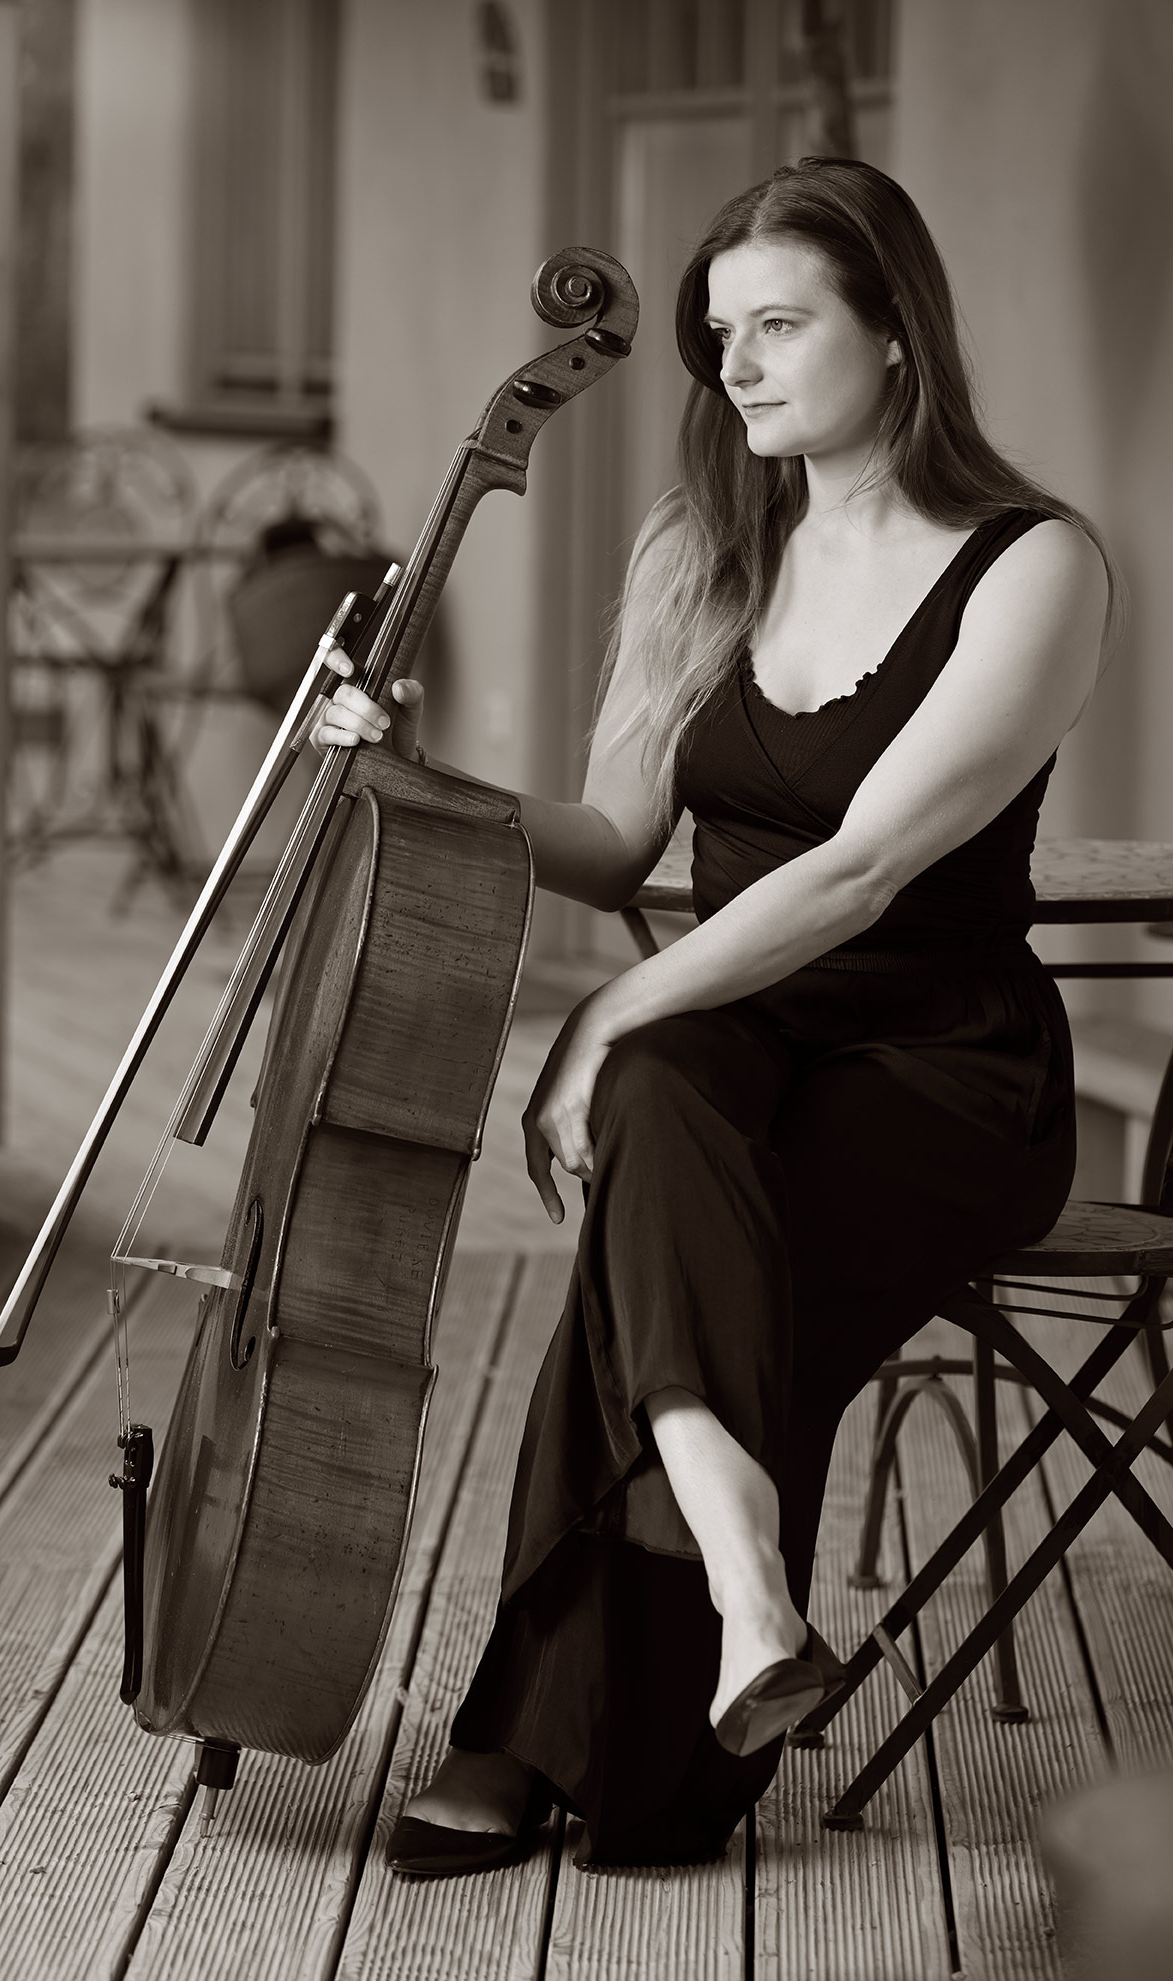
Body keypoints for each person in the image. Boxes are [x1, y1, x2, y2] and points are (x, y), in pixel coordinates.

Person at [310, 157, 1113, 1874]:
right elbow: (609, 849)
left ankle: (523, 1741)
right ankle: (749, 1610)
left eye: (778, 325)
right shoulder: (706, 548)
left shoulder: (1034, 566)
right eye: (715, 334)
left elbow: (862, 872)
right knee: (675, 1102)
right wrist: (413, 781)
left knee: (651, 1173)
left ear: (894, 333)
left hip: (941, 1059)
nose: (732, 366)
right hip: (732, 1038)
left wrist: (597, 1027)